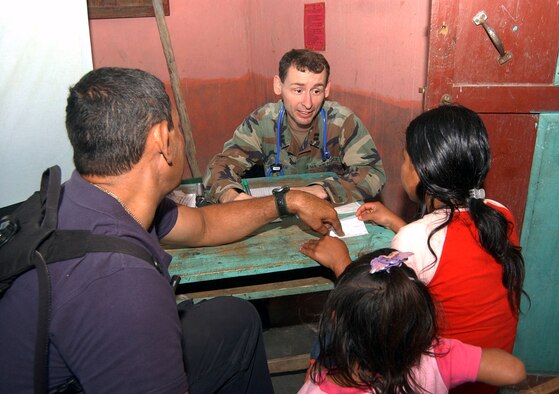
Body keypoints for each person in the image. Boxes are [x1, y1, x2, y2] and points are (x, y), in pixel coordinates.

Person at [0, 67, 343, 394]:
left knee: (234, 317)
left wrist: (288, 201)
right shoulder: (122, 287)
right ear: (163, 139)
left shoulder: (86, 197)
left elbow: (205, 224)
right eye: (177, 128)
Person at [301, 104, 527, 394]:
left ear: (421, 172)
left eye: (406, 159)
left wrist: (339, 261)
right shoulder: (500, 214)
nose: (402, 166)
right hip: (484, 372)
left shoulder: (415, 239)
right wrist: (396, 222)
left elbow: (376, 308)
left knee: (333, 330)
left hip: (437, 381)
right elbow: (450, 253)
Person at [298, 249, 526, 394]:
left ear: (335, 319)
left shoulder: (318, 387)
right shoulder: (437, 357)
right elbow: (514, 371)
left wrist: (315, 371)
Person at [204, 48, 386, 204]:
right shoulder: (262, 122)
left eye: (316, 91)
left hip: (326, 209)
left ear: (327, 89)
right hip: (278, 211)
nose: (307, 103)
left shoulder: (341, 121)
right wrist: (234, 198)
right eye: (298, 90)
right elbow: (221, 165)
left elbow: (373, 172)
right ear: (278, 85)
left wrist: (321, 191)